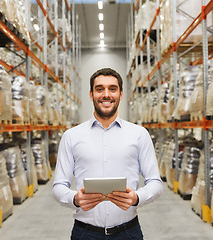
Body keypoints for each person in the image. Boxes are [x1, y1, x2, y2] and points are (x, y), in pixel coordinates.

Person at [53, 68, 163, 240]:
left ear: (121, 94)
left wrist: (136, 197)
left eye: (112, 89)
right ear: (91, 94)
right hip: (85, 233)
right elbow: (59, 186)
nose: (106, 94)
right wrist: (75, 198)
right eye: (99, 89)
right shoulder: (71, 136)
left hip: (128, 232)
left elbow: (155, 182)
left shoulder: (139, 134)